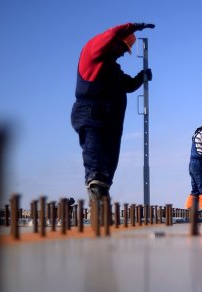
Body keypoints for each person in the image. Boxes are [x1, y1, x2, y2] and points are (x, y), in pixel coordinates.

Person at [71, 22, 155, 206]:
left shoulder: (113, 69)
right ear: (114, 42)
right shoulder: (93, 53)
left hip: (110, 121)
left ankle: (102, 205)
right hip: (92, 115)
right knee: (97, 165)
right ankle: (99, 213)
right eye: (123, 47)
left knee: (108, 166)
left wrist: (142, 77)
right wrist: (133, 27)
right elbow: (111, 34)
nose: (124, 52)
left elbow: (128, 85)